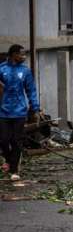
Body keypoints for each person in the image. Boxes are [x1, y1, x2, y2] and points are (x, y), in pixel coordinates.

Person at [0, 45, 40, 181]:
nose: (24, 57)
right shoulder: (2, 69)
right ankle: (8, 159)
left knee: (16, 141)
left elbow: (31, 90)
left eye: (25, 55)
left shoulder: (25, 71)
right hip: (3, 111)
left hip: (20, 111)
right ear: (13, 55)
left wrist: (34, 108)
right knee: (4, 139)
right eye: (21, 55)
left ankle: (14, 170)